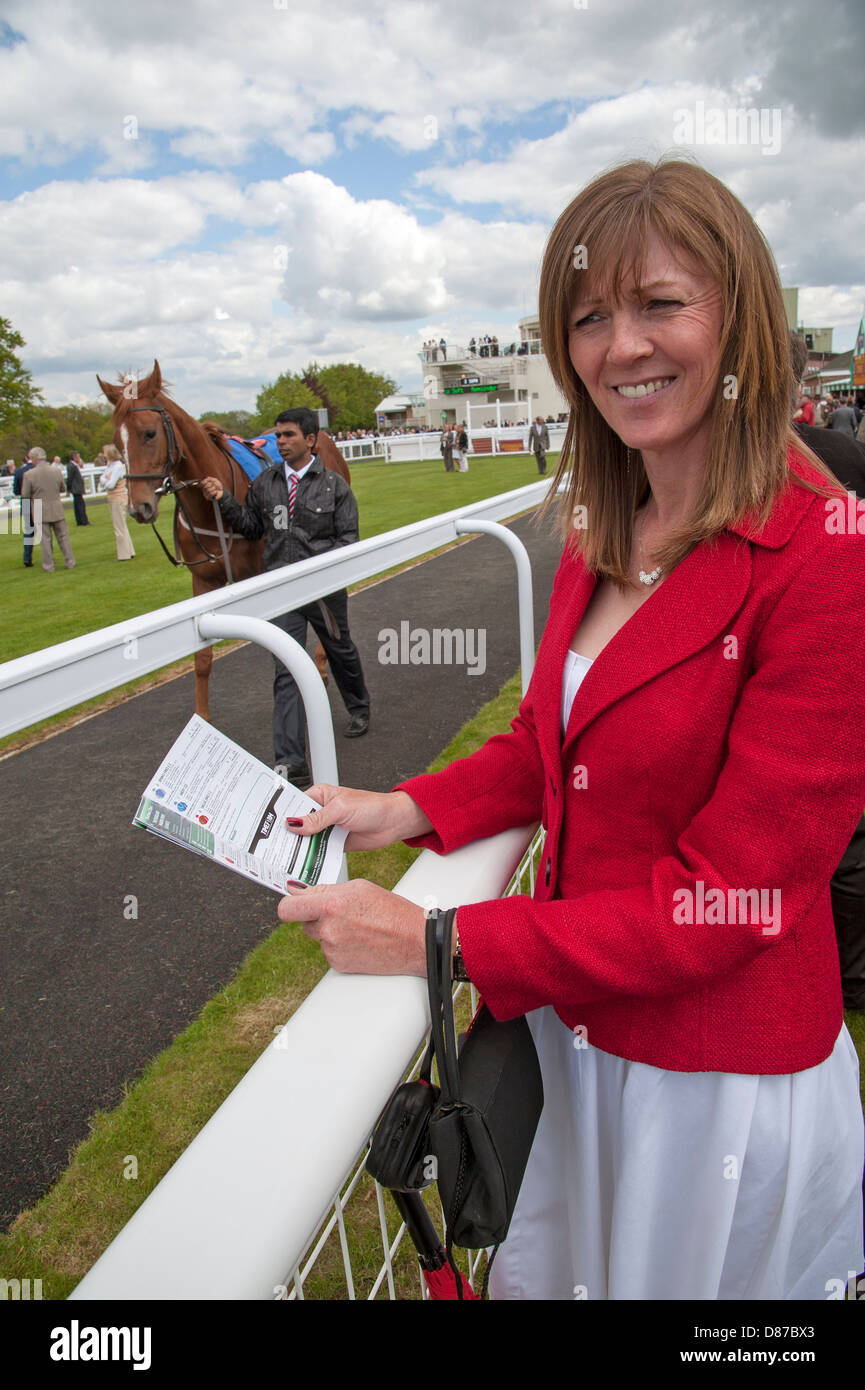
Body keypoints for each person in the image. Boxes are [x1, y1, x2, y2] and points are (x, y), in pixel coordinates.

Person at [276, 158, 865, 1302]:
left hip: (714, 1089)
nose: (621, 345)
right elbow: (556, 747)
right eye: (589, 317)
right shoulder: (606, 530)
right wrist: (404, 806)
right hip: (573, 1051)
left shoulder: (828, 553)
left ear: (737, 311)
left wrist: (440, 945)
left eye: (659, 303)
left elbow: (729, 900)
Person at [201, 407, 370, 789]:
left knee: (340, 650)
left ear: (310, 440)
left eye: (289, 435)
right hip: (282, 593)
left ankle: (359, 706)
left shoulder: (335, 488)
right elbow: (249, 526)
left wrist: (315, 571)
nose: (281, 442)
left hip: (323, 591)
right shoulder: (265, 484)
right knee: (286, 670)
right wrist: (224, 498)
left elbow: (348, 541)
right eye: (278, 436)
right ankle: (291, 761)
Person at [21, 447, 76, 572]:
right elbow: (63, 488)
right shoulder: (56, 471)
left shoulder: (29, 474)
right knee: (63, 536)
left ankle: (48, 565)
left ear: (34, 458)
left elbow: (25, 494)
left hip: (40, 508)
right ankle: (70, 561)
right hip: (56, 506)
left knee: (45, 539)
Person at [99, 444, 136, 560]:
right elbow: (104, 480)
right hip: (113, 498)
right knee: (122, 525)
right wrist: (104, 480)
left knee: (119, 527)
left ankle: (124, 554)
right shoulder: (110, 466)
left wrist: (103, 481)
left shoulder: (117, 466)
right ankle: (129, 550)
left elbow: (111, 484)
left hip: (118, 498)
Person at [12, 454, 36, 566]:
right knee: (44, 531)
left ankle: (27, 557)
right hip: (38, 501)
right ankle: (48, 556)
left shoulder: (19, 471)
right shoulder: (37, 469)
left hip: (26, 502)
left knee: (28, 531)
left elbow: (16, 491)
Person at [66, 451, 90, 527]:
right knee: (80, 505)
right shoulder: (72, 466)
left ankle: (80, 521)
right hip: (76, 488)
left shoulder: (73, 465)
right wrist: (68, 489)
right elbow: (70, 478)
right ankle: (84, 521)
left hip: (76, 488)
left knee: (77, 505)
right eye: (78, 457)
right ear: (74, 457)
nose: (79, 458)